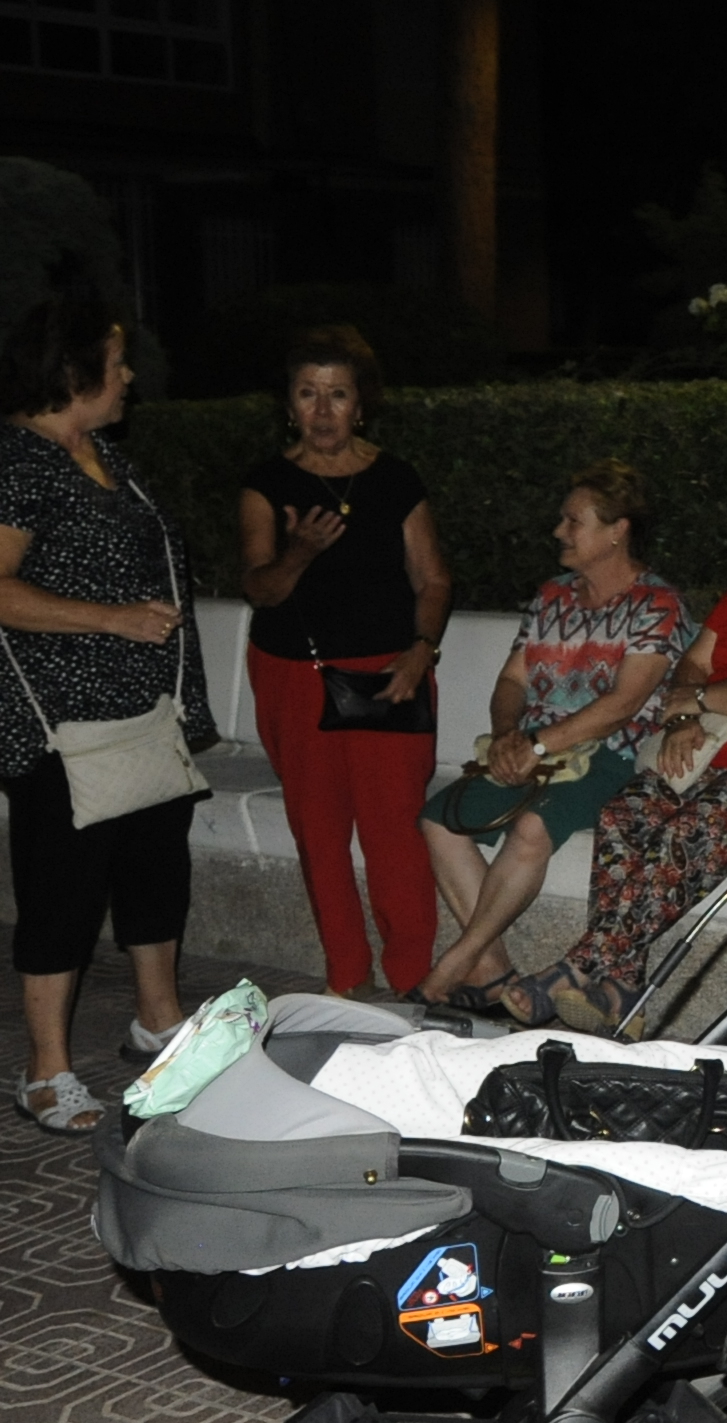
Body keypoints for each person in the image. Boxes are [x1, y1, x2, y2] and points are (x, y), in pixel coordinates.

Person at [491, 475, 727, 1032]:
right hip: (709, 761)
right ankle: (621, 991)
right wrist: (683, 717)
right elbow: (693, 664)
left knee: (694, 825)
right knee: (624, 812)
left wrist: (699, 701)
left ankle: (577, 967)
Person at [0, 292, 212, 1134]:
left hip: (142, 717)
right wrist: (113, 619)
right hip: (59, 726)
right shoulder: (19, 461)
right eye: (117, 363)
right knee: (64, 890)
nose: (129, 378)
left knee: (155, 871)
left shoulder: (101, 454)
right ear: (73, 370)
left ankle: (158, 1024)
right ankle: (44, 1071)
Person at [414, 461, 689, 1010]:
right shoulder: (553, 596)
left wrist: (536, 745)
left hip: (613, 754)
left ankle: (455, 963)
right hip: (534, 748)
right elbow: (512, 681)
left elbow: (624, 704)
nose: (559, 531)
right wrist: (506, 735)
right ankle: (492, 973)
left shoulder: (656, 605)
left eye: (573, 521)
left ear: (618, 530)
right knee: (440, 819)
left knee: (533, 827)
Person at [237, 327, 453, 997]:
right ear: (290, 406)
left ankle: (412, 980)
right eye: (309, 394)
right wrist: (300, 552)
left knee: (395, 833)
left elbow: (434, 580)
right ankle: (345, 977)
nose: (324, 410)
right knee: (321, 834)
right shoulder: (267, 484)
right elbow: (261, 588)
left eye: (338, 394)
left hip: (389, 674)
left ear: (361, 405)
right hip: (296, 676)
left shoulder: (395, 479)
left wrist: (420, 651)